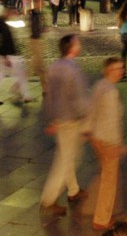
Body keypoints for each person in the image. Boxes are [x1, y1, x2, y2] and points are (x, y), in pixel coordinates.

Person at [40, 34, 91, 217]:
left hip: (60, 119)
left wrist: (52, 119)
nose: (80, 44)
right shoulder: (73, 69)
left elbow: (49, 96)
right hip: (71, 120)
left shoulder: (54, 67)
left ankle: (74, 190)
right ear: (72, 47)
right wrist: (87, 120)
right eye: (77, 42)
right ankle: (49, 200)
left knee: (66, 156)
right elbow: (78, 98)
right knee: (67, 160)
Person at [88, 57, 127, 231]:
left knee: (105, 175)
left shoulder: (99, 85)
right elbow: (112, 122)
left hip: (96, 137)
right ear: (108, 71)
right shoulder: (111, 92)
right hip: (107, 140)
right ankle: (102, 219)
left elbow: (91, 109)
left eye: (121, 68)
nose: (121, 71)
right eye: (117, 69)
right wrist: (117, 144)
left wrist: (88, 131)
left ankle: (99, 210)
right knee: (109, 181)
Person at [0, 19, 31, 108]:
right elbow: (3, 42)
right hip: (7, 55)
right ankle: (25, 95)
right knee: (22, 73)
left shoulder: (1, 24)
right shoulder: (2, 25)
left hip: (4, 55)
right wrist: (5, 58)